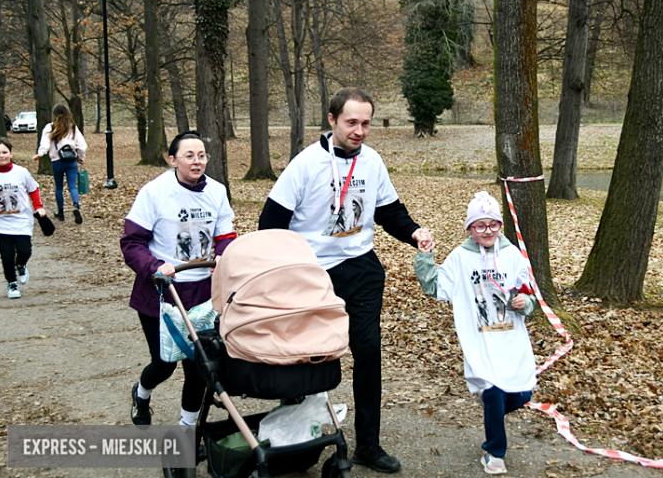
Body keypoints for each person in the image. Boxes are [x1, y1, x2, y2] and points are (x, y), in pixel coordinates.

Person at [258, 87, 434, 474]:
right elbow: (270, 224)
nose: (359, 131)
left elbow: (389, 210)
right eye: (351, 122)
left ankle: (368, 445)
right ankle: (293, 439)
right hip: (311, 274)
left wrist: (414, 232)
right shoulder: (305, 165)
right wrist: (286, 271)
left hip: (361, 268)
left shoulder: (371, 162)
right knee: (305, 357)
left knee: (368, 353)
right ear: (332, 120)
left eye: (366, 123)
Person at [413, 191, 538, 475]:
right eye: (480, 225)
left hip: (511, 339)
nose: (487, 231)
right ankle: (495, 452)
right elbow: (434, 286)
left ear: (500, 226)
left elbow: (529, 295)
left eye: (493, 224)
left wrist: (524, 303)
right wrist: (425, 256)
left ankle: (492, 411)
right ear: (470, 228)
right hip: (479, 340)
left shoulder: (511, 254)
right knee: (493, 391)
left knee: (522, 395)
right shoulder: (460, 258)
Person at [120, 131, 236, 426]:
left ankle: (187, 430)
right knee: (163, 364)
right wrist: (155, 267)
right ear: (173, 160)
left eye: (202, 156)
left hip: (202, 293)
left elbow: (225, 234)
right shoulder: (155, 192)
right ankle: (142, 393)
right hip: (161, 292)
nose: (197, 162)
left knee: (201, 365)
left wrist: (222, 253)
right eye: (189, 156)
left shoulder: (217, 191)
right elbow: (132, 243)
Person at [0, 138, 47, 298]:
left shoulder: (21, 172)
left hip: (21, 221)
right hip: (1, 223)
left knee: (24, 251)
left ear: (11, 154)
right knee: (6, 255)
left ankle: (21, 265)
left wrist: (38, 207)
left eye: (4, 152)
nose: (1, 156)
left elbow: (33, 189)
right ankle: (12, 284)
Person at [32, 104, 87, 224]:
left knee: (59, 188)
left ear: (54, 114)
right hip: (71, 161)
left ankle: (60, 212)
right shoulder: (72, 128)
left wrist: (40, 154)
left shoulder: (50, 127)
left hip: (57, 162)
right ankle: (76, 206)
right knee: (72, 186)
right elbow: (82, 145)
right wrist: (81, 157)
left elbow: (45, 144)